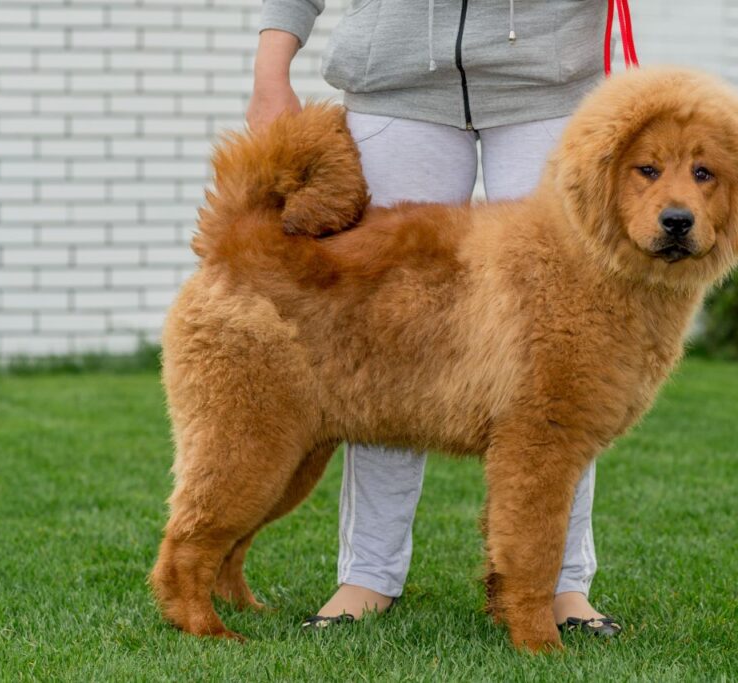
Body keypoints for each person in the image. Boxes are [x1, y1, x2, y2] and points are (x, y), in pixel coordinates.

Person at [249, 0, 621, 637]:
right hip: (396, 86)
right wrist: (270, 73)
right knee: (385, 346)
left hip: (549, 89)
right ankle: (368, 573)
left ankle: (562, 584)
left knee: (560, 362)